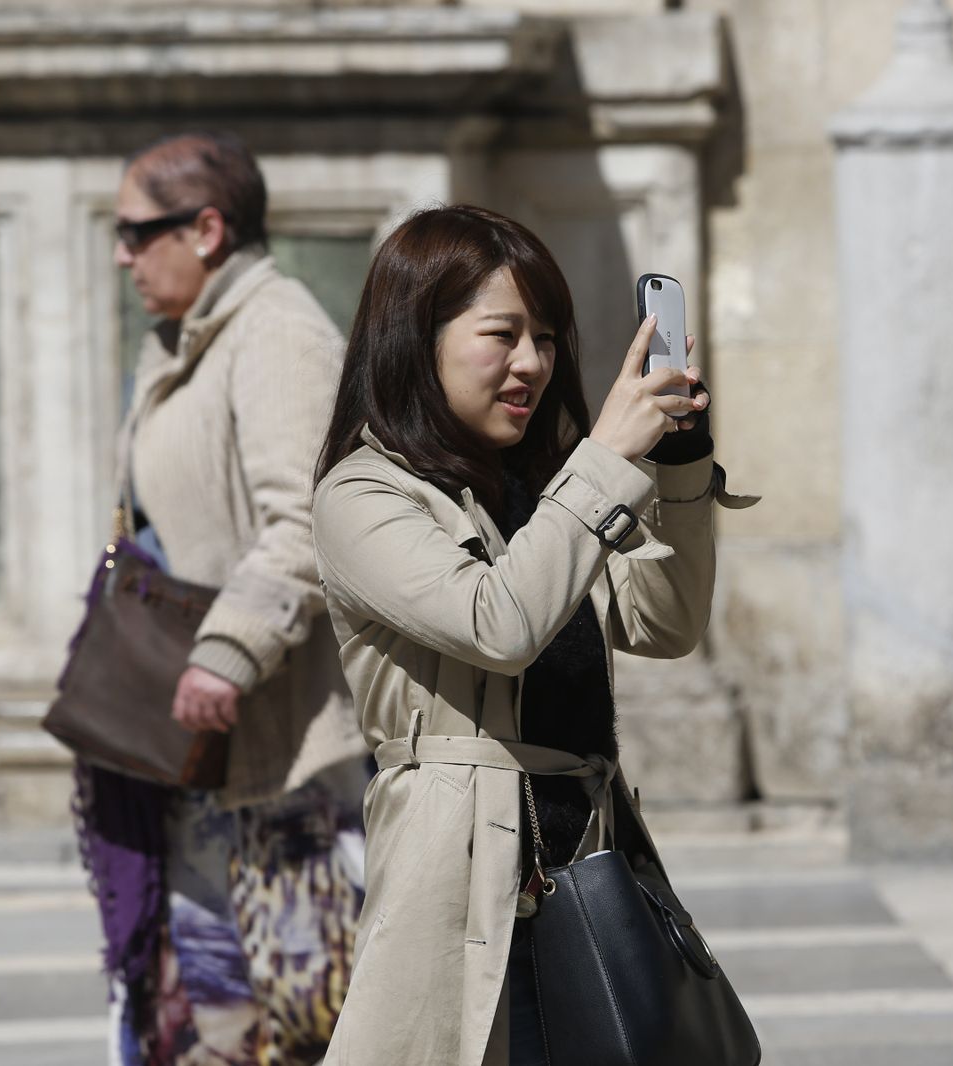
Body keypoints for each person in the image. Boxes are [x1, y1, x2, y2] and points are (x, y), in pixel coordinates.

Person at [310, 205, 756, 1066]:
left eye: (546, 338)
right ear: (417, 335)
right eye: (501, 334)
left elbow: (661, 623)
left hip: (587, 862)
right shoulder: (364, 495)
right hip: (457, 878)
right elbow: (499, 623)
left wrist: (678, 463)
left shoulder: (542, 489)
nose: (532, 364)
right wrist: (604, 461)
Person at [72, 131, 369, 1066]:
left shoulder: (277, 335)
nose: (121, 255)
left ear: (205, 228)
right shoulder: (189, 344)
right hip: (202, 760)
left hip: (284, 768)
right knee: (215, 1027)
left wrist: (227, 648)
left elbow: (314, 522)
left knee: (307, 1029)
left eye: (134, 232)